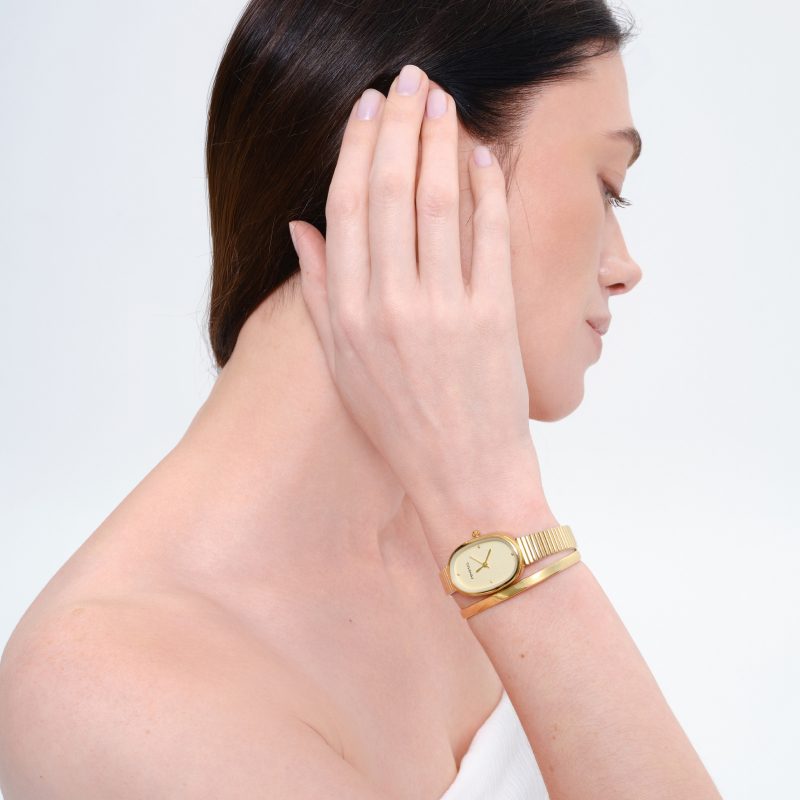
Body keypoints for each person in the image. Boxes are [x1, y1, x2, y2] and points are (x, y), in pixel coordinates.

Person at [0, 2, 722, 798]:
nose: (625, 267)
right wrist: (498, 511)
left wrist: (488, 505)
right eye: (609, 188)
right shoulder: (104, 689)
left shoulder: (444, 534)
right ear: (421, 162)